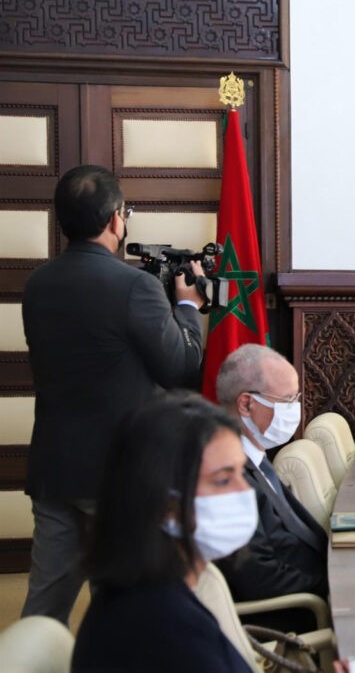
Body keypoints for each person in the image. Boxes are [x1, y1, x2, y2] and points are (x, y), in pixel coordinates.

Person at [21, 165, 205, 624]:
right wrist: (186, 306)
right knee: (123, 606)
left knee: (44, 607)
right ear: (115, 219)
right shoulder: (135, 285)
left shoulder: (38, 284)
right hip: (117, 473)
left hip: (55, 467)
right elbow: (181, 368)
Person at [71, 393, 254, 672]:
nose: (245, 490)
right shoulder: (164, 627)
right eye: (223, 480)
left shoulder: (146, 590)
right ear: (164, 502)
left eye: (242, 473)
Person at [214, 343, 328, 630]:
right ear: (246, 404)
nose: (295, 409)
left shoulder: (255, 457)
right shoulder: (226, 478)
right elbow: (259, 579)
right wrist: (332, 589)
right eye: (287, 400)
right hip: (294, 616)